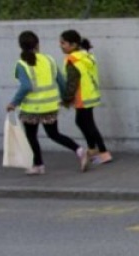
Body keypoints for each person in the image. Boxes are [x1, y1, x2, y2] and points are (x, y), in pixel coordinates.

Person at [6, 31, 84, 176]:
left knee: (31, 136)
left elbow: (26, 86)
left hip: (31, 108)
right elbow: (61, 81)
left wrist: (13, 103)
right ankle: (79, 150)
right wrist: (66, 99)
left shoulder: (21, 64)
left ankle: (38, 165)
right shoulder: (49, 59)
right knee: (54, 134)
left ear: (21, 46)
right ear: (37, 44)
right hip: (50, 105)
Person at [58, 30, 111, 167]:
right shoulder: (86, 55)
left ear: (73, 44)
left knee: (87, 124)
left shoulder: (72, 60)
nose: (60, 45)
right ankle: (93, 149)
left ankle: (104, 153)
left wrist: (66, 99)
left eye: (63, 43)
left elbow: (72, 82)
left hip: (82, 96)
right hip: (91, 94)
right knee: (83, 122)